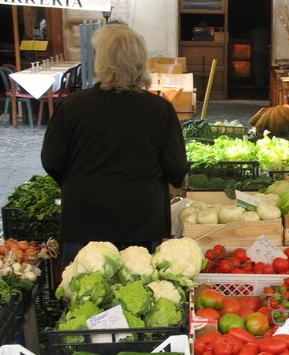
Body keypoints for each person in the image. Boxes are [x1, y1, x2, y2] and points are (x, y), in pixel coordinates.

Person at [41, 24, 189, 265]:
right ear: (141, 62)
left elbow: (52, 160)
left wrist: (78, 180)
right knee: (139, 294)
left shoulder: (72, 106)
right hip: (140, 218)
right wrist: (176, 181)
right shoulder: (159, 109)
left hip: (85, 215)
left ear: (101, 62)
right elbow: (175, 166)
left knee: (83, 293)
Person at [249, 23, 270, 88]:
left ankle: (258, 84)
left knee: (257, 68)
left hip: (256, 51)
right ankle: (262, 83)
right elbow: (269, 41)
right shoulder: (267, 32)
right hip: (264, 51)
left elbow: (249, 36)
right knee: (263, 68)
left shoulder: (254, 31)